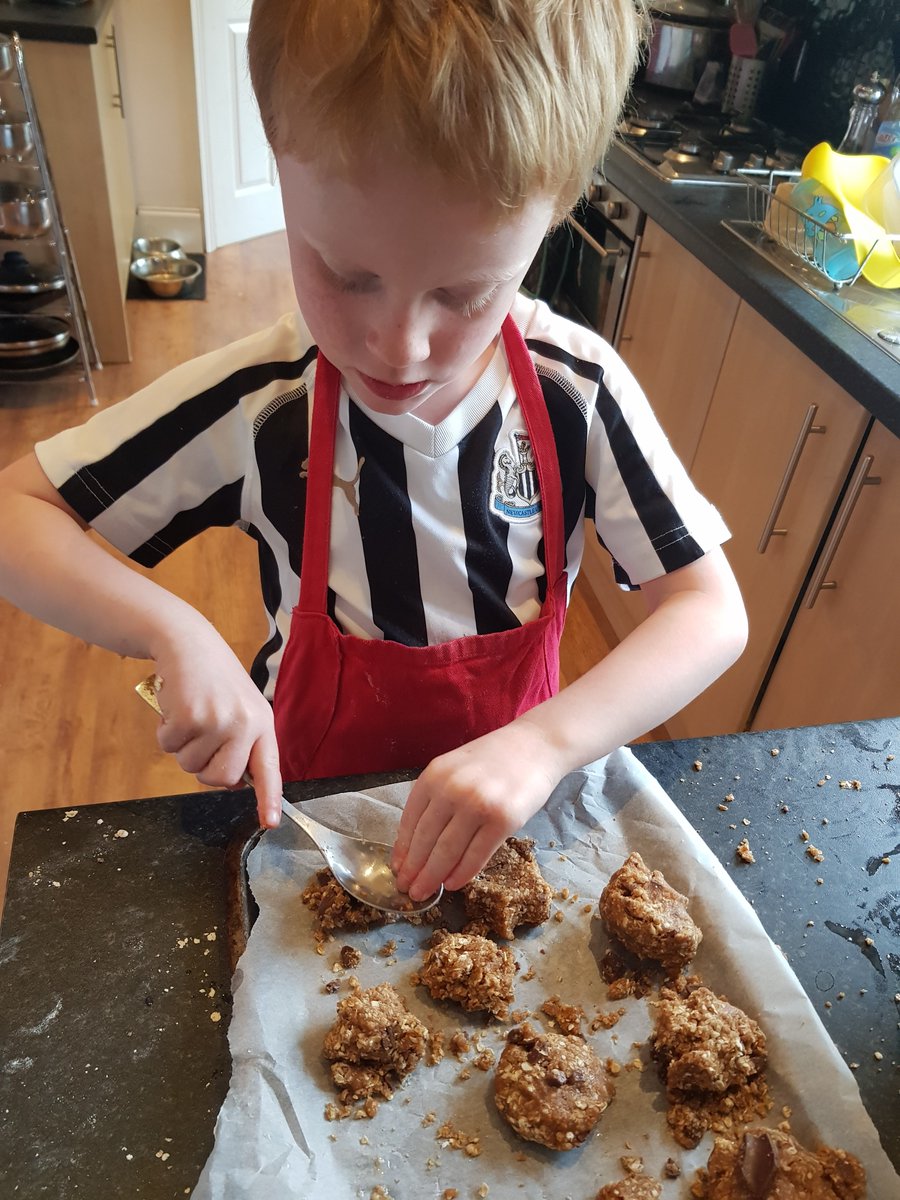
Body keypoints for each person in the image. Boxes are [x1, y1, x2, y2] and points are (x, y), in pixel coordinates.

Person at [0, 0, 746, 904]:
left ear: (554, 217)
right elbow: (16, 514)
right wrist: (172, 630)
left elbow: (708, 610)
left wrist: (543, 744)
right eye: (348, 275)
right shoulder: (263, 402)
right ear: (278, 164)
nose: (400, 347)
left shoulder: (572, 392)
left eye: (465, 294)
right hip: (314, 821)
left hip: (514, 823)